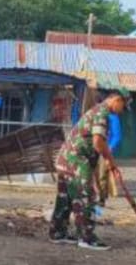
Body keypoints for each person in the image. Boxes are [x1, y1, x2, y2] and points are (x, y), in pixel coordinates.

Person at [50, 89, 128, 250]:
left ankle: (58, 232)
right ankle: (86, 237)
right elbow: (98, 142)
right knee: (87, 197)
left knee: (65, 197)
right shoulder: (102, 113)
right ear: (117, 100)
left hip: (66, 159)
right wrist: (111, 162)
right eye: (123, 107)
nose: (122, 112)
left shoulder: (96, 110)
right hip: (77, 161)